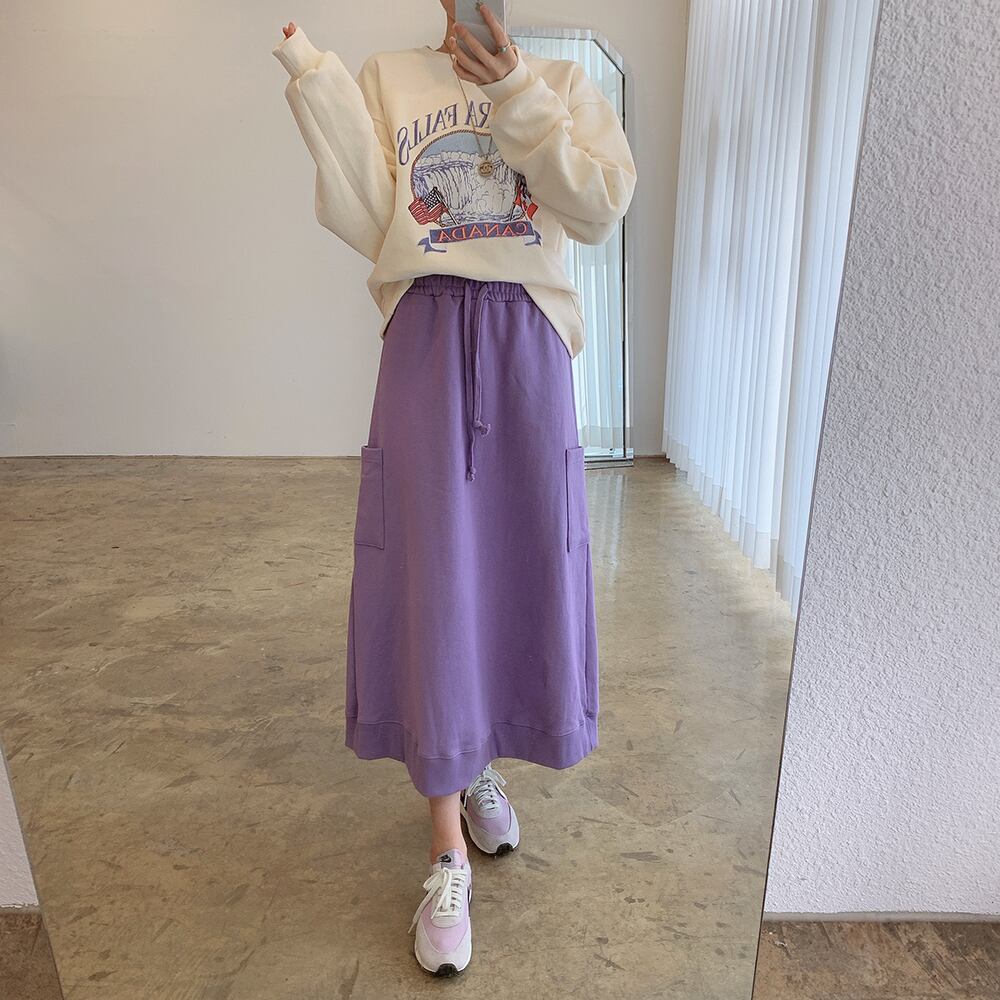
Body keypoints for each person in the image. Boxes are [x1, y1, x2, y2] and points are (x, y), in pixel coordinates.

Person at [272, 0, 636, 976]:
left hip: (528, 339)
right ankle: (445, 849)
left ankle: (477, 761)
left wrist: (513, 86)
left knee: (521, 567)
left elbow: (599, 206)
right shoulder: (391, 79)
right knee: (432, 578)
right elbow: (368, 219)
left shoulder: (563, 84)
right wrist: (315, 81)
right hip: (427, 335)